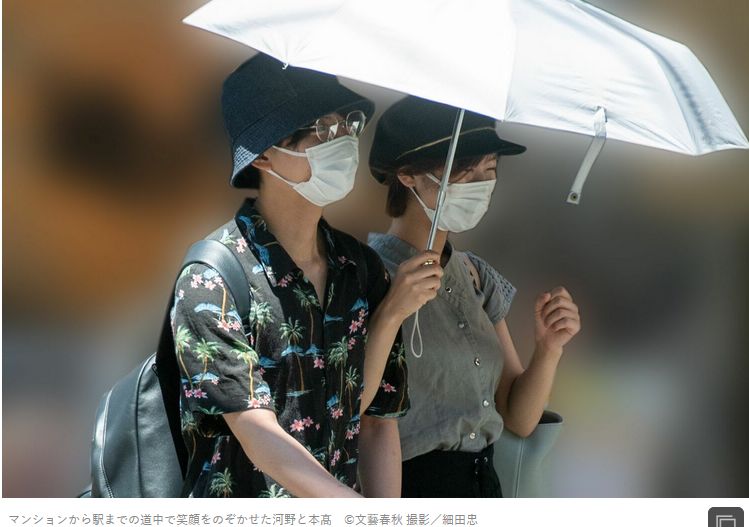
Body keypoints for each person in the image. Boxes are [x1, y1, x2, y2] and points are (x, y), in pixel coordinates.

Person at [171, 55, 443, 498]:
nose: (346, 142)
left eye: (349, 126)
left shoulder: (360, 268)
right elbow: (257, 431)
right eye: (323, 129)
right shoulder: (211, 277)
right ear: (263, 155)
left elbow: (369, 416)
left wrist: (391, 314)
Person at [367, 96, 582, 498]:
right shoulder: (365, 274)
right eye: (465, 171)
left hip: (484, 485)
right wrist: (391, 312)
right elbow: (356, 407)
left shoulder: (475, 274)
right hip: (409, 487)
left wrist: (549, 349)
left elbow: (518, 417)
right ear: (408, 175)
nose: (481, 184)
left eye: (490, 170)